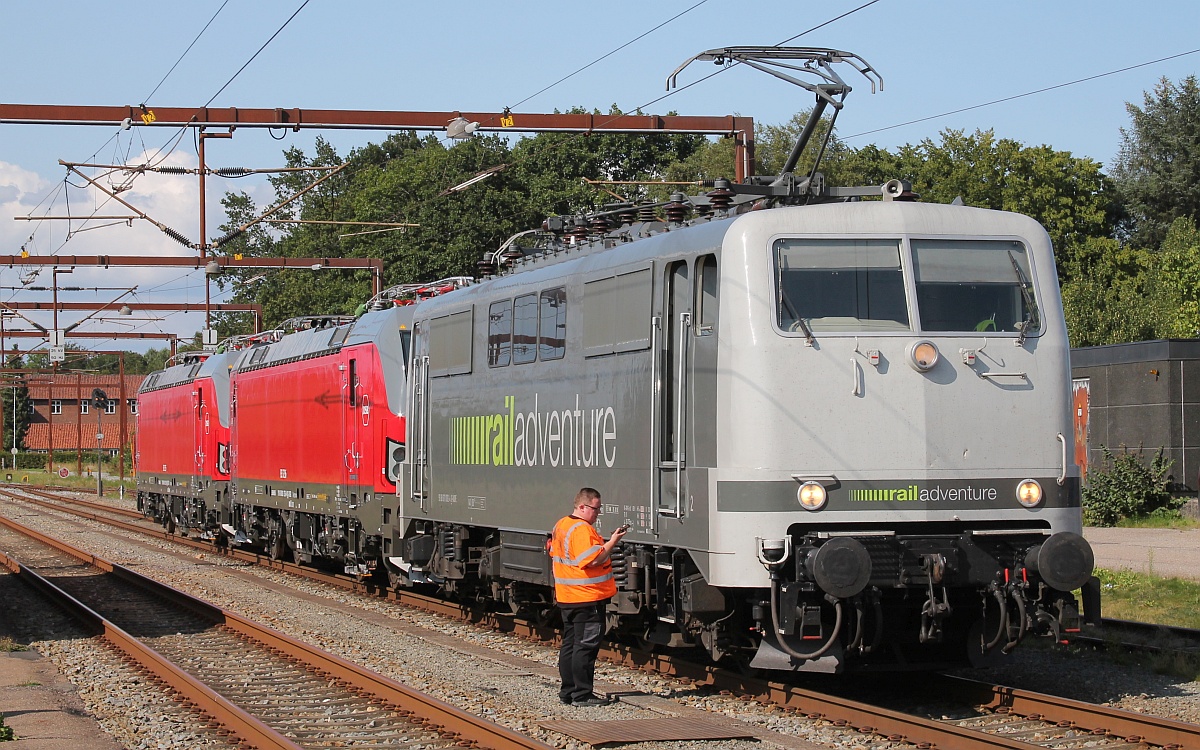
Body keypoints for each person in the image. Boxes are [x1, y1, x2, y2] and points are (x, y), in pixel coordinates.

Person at [550, 487, 627, 707]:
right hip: (586, 597)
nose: (597, 513)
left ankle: (568, 691)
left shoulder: (561, 524)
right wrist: (612, 542)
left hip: (567, 596)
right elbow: (592, 560)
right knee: (585, 646)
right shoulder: (582, 530)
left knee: (570, 645)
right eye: (595, 508)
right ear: (582, 506)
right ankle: (582, 695)